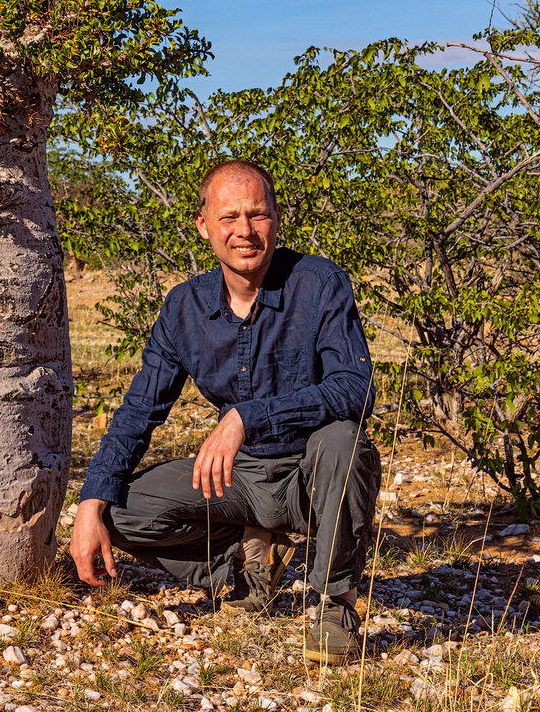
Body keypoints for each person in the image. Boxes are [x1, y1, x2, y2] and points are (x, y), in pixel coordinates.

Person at [68, 159, 381, 663]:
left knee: (344, 438)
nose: (244, 231)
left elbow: (355, 389)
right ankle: (245, 568)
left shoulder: (319, 283)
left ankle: (334, 602)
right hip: (240, 480)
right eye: (229, 217)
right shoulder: (183, 307)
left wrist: (245, 417)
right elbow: (138, 411)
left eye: (257, 215)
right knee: (120, 512)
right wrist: (89, 504)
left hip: (311, 474)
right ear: (204, 225)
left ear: (276, 218)